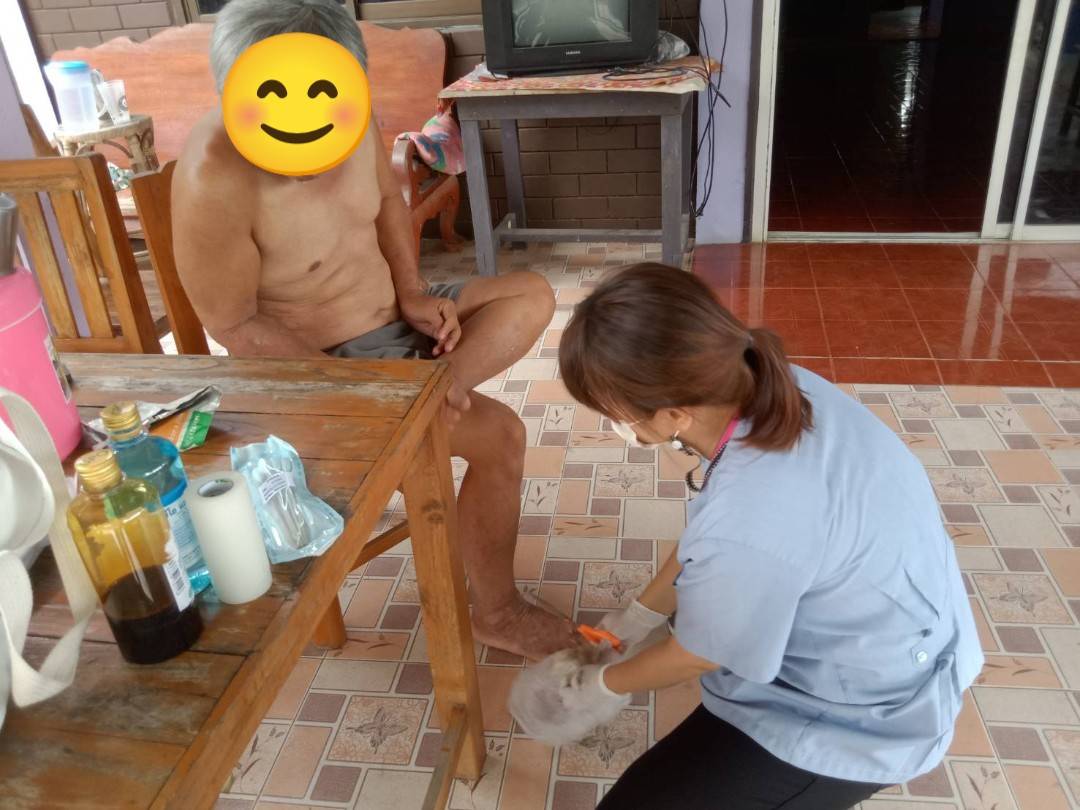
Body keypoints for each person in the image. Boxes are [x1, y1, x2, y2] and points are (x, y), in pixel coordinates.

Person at [172, 0, 576, 658]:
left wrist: (413, 294)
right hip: (322, 364)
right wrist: (364, 391)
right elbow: (234, 324)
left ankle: (438, 390)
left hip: (395, 320)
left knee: (530, 293)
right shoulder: (214, 175)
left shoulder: (346, 109)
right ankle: (497, 612)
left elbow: (388, 200)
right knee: (501, 435)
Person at [527, 263, 984, 808]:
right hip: (903, 633)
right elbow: (712, 534)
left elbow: (699, 652)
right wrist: (637, 616)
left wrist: (599, 688)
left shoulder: (753, 514)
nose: (613, 423)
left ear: (672, 414)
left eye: (613, 411)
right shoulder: (776, 385)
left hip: (861, 716)